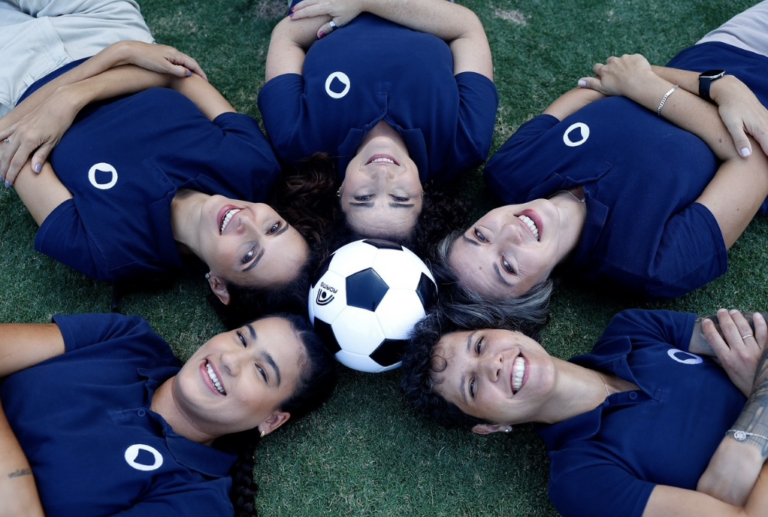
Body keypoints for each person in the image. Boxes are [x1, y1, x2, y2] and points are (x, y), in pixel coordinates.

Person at [433, 1, 768, 331]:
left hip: (728, 47)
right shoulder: (650, 265)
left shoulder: (510, 169)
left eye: (480, 235)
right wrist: (686, 88)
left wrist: (710, 83)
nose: (509, 232)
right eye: (507, 266)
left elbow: (604, 83)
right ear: (536, 293)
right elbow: (754, 162)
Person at [0, 1, 331, 321]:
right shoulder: (254, 165)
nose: (247, 222)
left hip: (15, 77)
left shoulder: (110, 250)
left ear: (219, 285)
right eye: (274, 227)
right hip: (103, 24)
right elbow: (178, 76)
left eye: (249, 254)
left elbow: (10, 143)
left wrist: (115, 60)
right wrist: (85, 84)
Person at [400, 305, 768, 517]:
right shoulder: (580, 481)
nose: (491, 365)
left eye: (480, 345)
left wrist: (745, 449)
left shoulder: (635, 329)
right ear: (490, 425)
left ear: (508, 329)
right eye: (472, 386)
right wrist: (757, 385)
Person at [0, 311, 337, 517]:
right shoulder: (129, 339)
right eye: (241, 338)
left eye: (262, 371)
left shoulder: (196, 502)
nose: (231, 360)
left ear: (272, 420)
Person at [259, 0, 497, 242]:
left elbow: (287, 37)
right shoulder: (465, 140)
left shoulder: (296, 141)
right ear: (424, 197)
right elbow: (466, 29)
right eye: (401, 198)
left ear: (340, 193)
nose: (382, 176)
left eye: (363, 197)